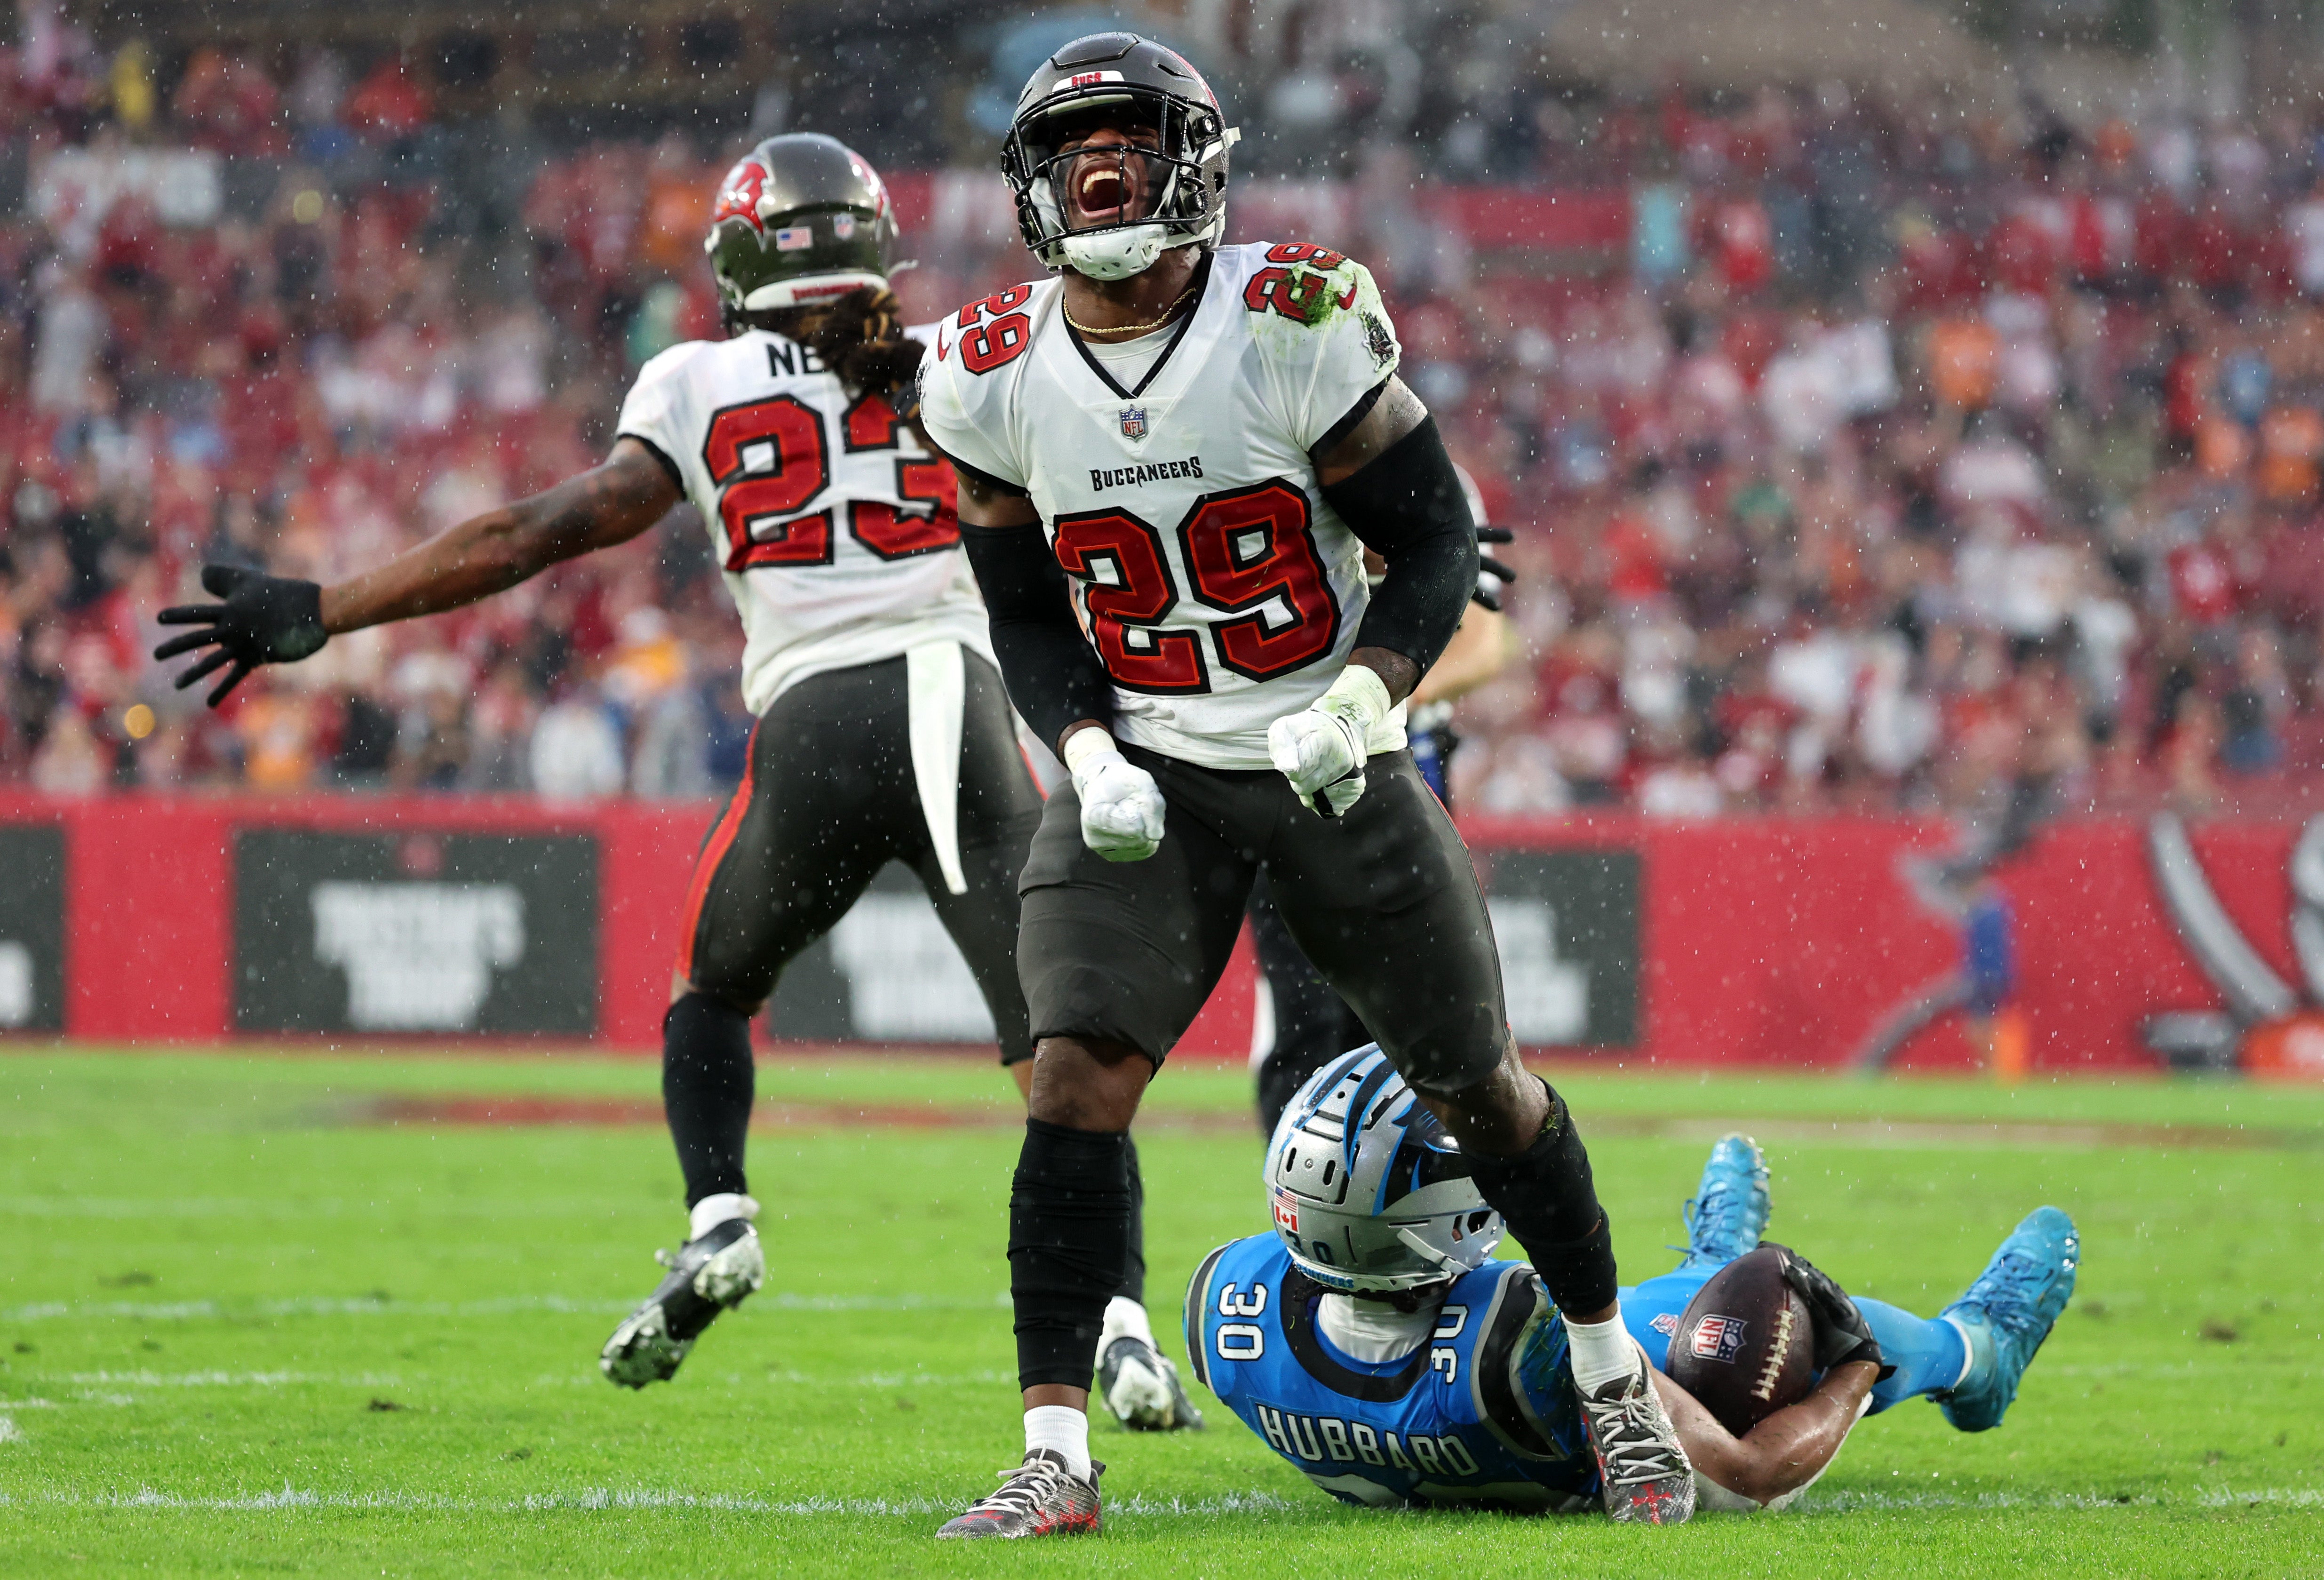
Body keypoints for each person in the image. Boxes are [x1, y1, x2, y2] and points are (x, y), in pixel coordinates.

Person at [149, 132, 1194, 1428]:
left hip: (810, 719)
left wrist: (327, 607)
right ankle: (1122, 1328)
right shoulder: (959, 355)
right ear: (874, 245)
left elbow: (534, 532)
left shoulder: (697, 379)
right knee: (1061, 1058)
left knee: (711, 993)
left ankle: (719, 1217)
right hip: (956, 708)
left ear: (741, 261)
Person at [917, 33, 1687, 1537]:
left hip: (1324, 754)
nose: (1099, 165)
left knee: (1481, 1088)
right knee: (1072, 1078)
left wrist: (1363, 694)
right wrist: (1085, 747)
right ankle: (1053, 1452)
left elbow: (1437, 539)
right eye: (1071, 145)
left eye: (1130, 137)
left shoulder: (1292, 317)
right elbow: (1022, 612)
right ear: (1027, 182)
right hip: (1151, 760)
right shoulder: (985, 367)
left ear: (1194, 160)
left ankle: (1614, 1387)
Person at [1189, 1047, 2081, 1512]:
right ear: (1444, 1215)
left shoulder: (1223, 1308)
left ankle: (1712, 1260)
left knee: (1694, 1304)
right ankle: (1975, 1351)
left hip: (1451, 1404)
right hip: (1577, 1423)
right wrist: (1855, 1369)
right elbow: (1746, 1478)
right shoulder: (1524, 1342)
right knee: (1755, 1332)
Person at [1249, 473, 1518, 1137]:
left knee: (1417, 1005)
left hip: (1403, 767)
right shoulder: (1268, 459)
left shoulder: (1434, 477)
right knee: (1305, 1004)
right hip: (1287, 767)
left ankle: (1410, 1170)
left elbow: (1483, 643)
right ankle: (1304, 1178)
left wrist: (1374, 697)